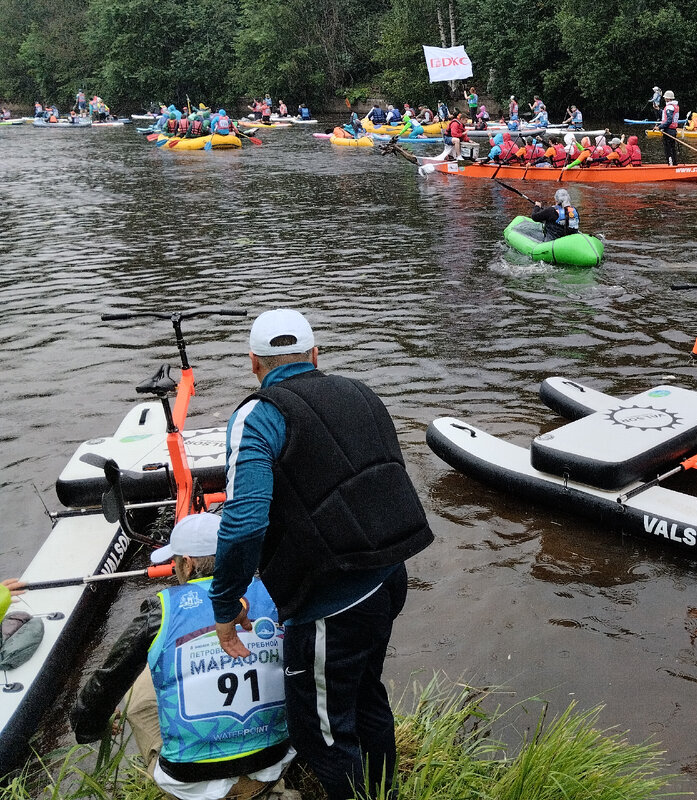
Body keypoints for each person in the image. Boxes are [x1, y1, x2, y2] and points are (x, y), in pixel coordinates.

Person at [209, 310, 433, 800]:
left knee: (321, 734)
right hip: (389, 576)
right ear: (315, 355)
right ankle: (383, 793)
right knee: (364, 694)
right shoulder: (361, 392)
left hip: (334, 602)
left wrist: (225, 605)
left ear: (254, 364)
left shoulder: (258, 414)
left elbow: (245, 522)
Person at [71, 513, 292, 800]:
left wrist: (90, 725)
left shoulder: (160, 609)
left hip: (190, 782)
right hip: (272, 760)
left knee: (140, 682)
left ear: (187, 564)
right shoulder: (273, 592)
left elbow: (103, 685)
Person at [657, 90, 680, 165]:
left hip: (668, 131)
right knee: (672, 148)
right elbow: (666, 116)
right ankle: (674, 164)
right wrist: (658, 110)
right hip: (673, 130)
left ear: (667, 98)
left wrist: (660, 127)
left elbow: (669, 120)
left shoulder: (669, 107)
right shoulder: (674, 106)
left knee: (668, 149)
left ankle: (670, 165)